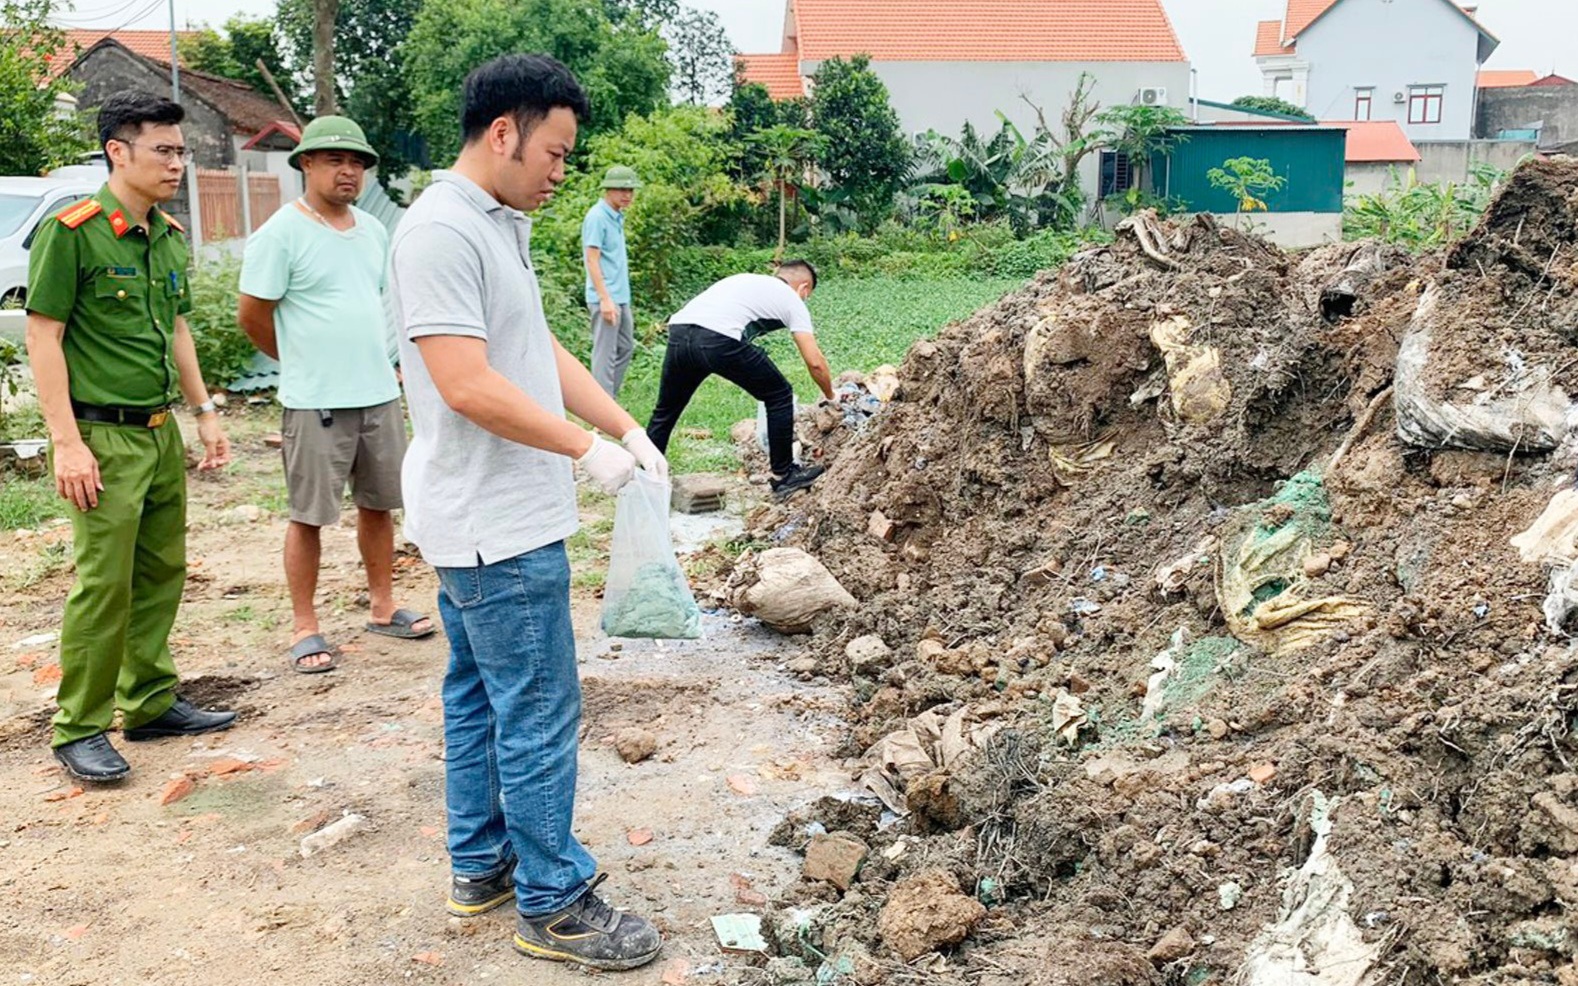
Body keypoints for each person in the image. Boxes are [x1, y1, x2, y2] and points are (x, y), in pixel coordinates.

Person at [389, 53, 667, 972]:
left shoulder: (495, 222)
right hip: (493, 522)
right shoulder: (439, 231)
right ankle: (554, 899)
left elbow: (533, 347)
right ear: (503, 132)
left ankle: (483, 865)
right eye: (553, 151)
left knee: (478, 696)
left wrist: (625, 424)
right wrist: (584, 452)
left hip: (485, 517)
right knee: (540, 708)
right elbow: (466, 382)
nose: (561, 171)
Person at [24, 91, 236, 784]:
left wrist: (202, 409)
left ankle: (147, 702)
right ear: (118, 151)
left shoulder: (168, 237)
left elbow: (176, 329)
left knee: (160, 572)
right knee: (103, 584)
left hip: (156, 432)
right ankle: (79, 726)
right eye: (165, 150)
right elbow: (43, 335)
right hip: (99, 437)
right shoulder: (74, 230)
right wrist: (65, 441)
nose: (180, 163)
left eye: (182, 151)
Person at [237, 115, 432, 675]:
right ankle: (305, 627)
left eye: (357, 164)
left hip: (376, 394)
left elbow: (371, 304)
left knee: (379, 505)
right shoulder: (280, 233)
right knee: (309, 516)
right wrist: (301, 360)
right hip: (314, 401)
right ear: (306, 164)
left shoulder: (373, 231)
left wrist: (384, 367)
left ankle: (382, 604)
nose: (348, 172)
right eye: (334, 161)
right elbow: (252, 317)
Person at [646, 263, 833, 496]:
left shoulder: (744, 280)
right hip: (719, 338)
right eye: (808, 295)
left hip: (680, 332)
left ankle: (646, 477)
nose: (805, 300)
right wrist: (830, 396)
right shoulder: (791, 298)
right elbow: (815, 362)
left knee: (666, 409)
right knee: (779, 395)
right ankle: (784, 476)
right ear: (804, 287)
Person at [582, 165, 640, 396]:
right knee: (604, 355)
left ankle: (607, 403)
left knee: (625, 347)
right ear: (608, 190)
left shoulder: (616, 217)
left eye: (630, 190)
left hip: (621, 296)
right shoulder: (597, 217)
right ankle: (601, 411)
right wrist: (604, 299)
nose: (627, 195)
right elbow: (592, 259)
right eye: (620, 190)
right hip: (605, 297)